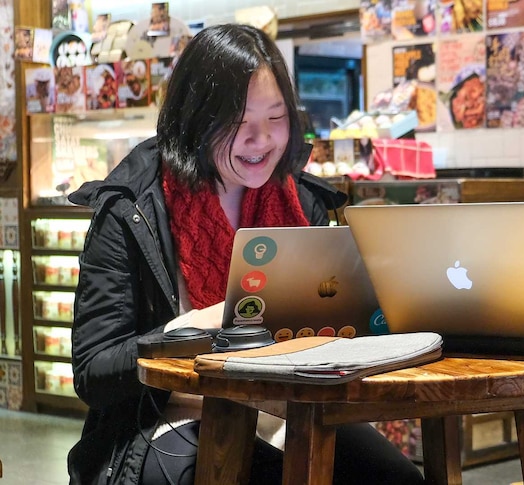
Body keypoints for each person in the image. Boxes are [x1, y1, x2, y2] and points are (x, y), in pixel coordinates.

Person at [67, 24, 425, 485]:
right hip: (166, 420)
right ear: (194, 120)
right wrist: (194, 328)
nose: (262, 141)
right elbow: (93, 371)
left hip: (293, 410)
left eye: (276, 118)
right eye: (238, 124)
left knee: (399, 480)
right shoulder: (132, 208)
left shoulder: (303, 200)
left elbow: (338, 330)